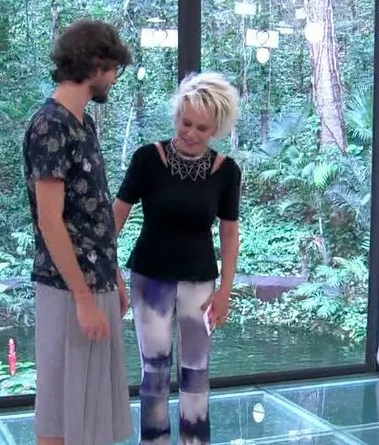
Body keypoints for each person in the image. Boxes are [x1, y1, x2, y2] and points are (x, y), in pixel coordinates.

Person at [113, 72, 242, 445]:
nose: (191, 133)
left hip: (200, 283)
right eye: (186, 123)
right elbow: (114, 219)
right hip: (149, 280)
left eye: (202, 128)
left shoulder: (226, 171)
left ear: (216, 129)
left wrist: (225, 291)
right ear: (176, 116)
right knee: (154, 373)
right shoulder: (147, 159)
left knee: (197, 373)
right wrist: (111, 270)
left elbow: (230, 234)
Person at [22, 19, 133, 445]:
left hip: (95, 281)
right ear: (95, 64)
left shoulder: (83, 123)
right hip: (66, 288)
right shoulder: (50, 125)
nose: (115, 77)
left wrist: (113, 275)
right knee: (60, 410)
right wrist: (85, 299)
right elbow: (50, 220)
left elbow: (94, 211)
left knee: (92, 412)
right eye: (114, 67)